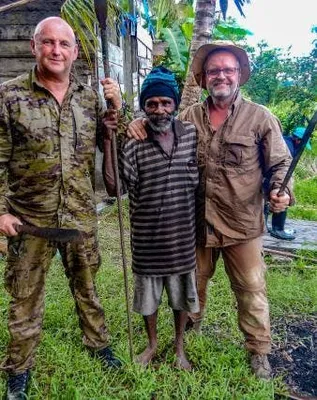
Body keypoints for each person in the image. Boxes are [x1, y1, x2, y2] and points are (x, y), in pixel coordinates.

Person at [127, 41, 293, 379]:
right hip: (195, 223)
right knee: (192, 284)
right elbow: (156, 119)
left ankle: (258, 351)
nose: (221, 75)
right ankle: (186, 333)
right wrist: (135, 123)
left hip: (241, 223)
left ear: (239, 75)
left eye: (228, 69)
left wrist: (281, 190)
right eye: (214, 70)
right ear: (204, 78)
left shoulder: (261, 118)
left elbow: (280, 163)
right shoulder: (187, 117)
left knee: (250, 289)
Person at [0, 17, 122, 399]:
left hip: (80, 214)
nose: (56, 51)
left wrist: (117, 109)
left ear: (74, 51)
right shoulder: (8, 96)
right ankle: (18, 369)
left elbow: (117, 140)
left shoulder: (89, 97)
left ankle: (98, 344)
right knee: (25, 295)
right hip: (29, 219)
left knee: (87, 287)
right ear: (34, 46)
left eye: (64, 44)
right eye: (48, 43)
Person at [105, 66, 200, 370]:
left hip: (182, 237)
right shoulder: (134, 141)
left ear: (175, 105)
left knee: (181, 297)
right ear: (144, 107)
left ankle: (179, 348)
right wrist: (111, 139)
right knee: (148, 298)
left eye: (166, 103)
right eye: (152, 104)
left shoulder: (190, 135)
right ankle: (152, 344)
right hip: (147, 238)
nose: (160, 110)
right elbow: (115, 186)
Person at [265, 126, 311, 240]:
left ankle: (264, 227)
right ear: (298, 140)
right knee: (283, 196)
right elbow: (282, 169)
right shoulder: (288, 147)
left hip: (265, 177)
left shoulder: (284, 141)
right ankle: (278, 229)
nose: (303, 148)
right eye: (303, 144)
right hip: (271, 177)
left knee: (266, 201)